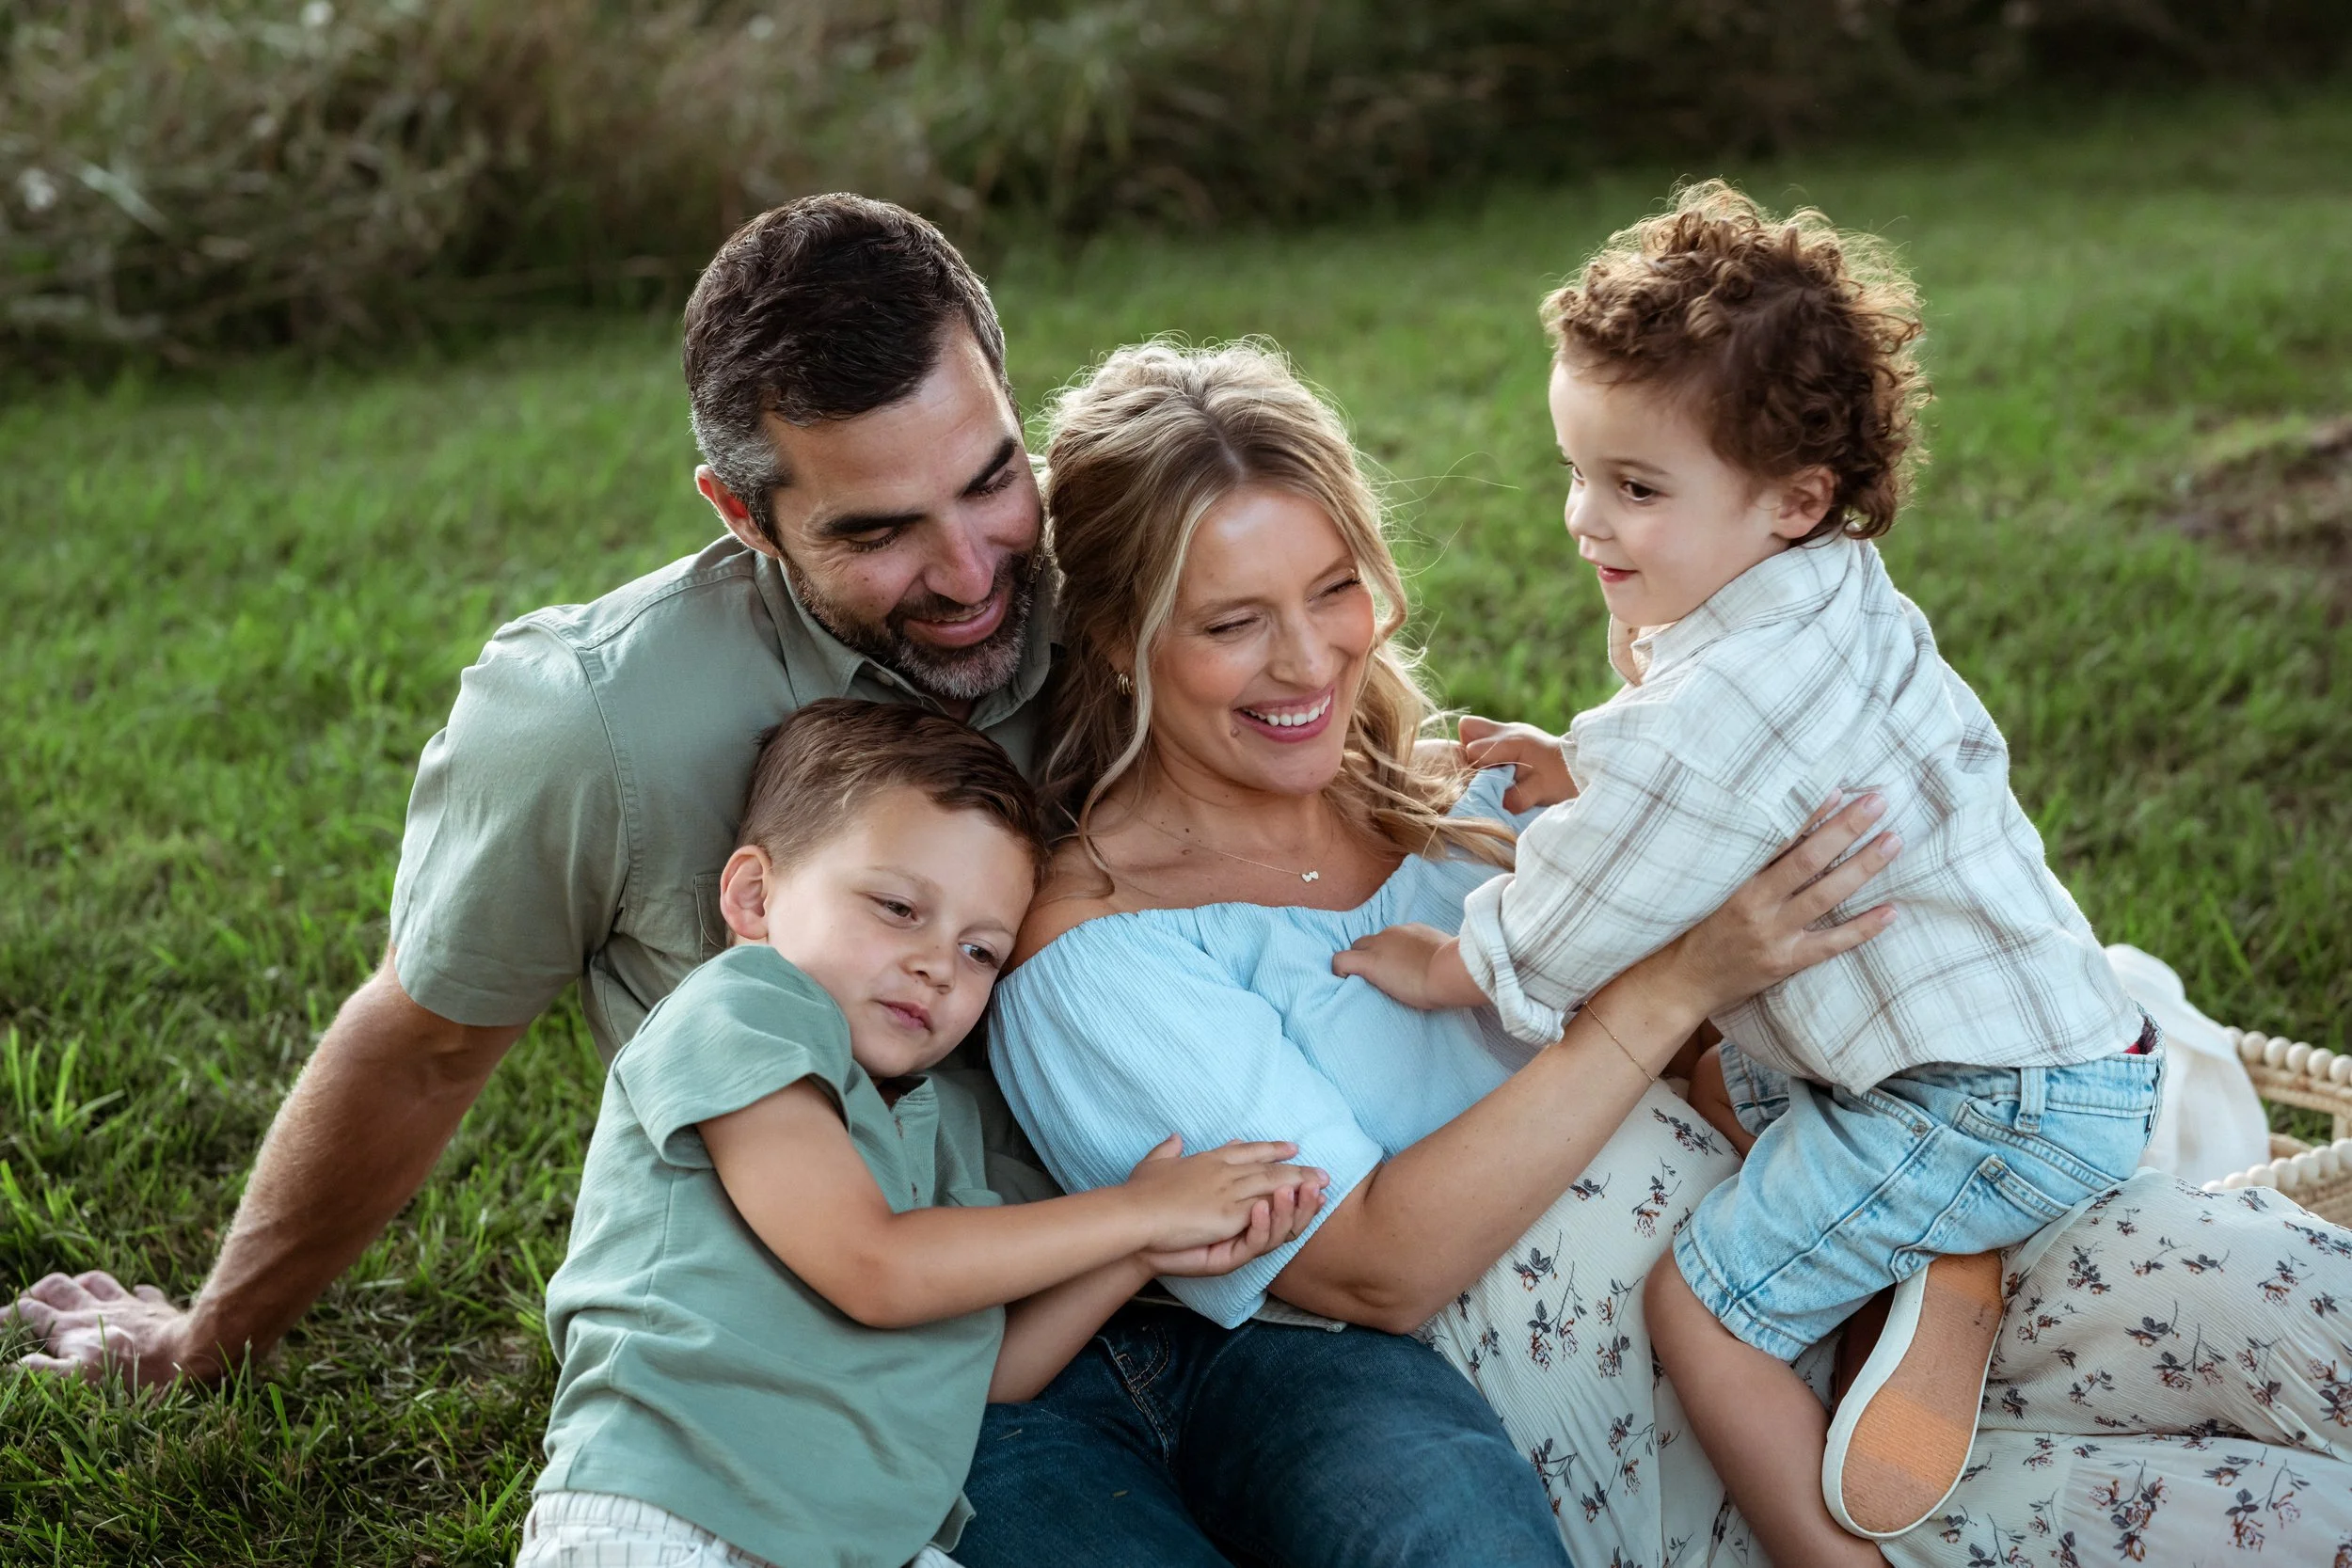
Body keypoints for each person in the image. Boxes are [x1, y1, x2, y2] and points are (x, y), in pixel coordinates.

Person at [4, 195, 1662, 1564]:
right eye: (876, 531)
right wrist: (210, 1334)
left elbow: (1293, 701)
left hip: (1242, 1285)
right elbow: (427, 1037)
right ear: (742, 508)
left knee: (1454, 1531)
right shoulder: (599, 721)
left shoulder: (1095, 574)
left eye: (989, 479)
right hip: (915, 1360)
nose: (965, 571)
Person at [979, 337, 1906, 1568]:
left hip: (1857, 1288)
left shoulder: (1462, 798)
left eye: (1331, 586)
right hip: (1678, 1437)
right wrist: (1674, 979)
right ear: (1111, 634)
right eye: (1233, 621)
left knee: (2243, 1296)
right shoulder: (1102, 956)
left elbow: (1732, 1050)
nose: (1310, 660)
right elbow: (1373, 1269)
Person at [1338, 182, 2163, 1560]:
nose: (1583, 518)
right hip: (2040, 1051)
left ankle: (1823, 1551)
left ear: (1794, 497)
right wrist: (1591, 771)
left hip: (1974, 1099)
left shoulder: (1714, 714)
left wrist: (1458, 958)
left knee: (1704, 1305)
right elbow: (1725, 790)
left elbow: (1600, 892)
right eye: (1580, 468)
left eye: (1636, 488)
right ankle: (1926, 1263)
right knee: (1747, 1079)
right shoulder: (1825, 585)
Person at [519, 698, 1326, 1568]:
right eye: (899, 907)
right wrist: (1137, 1213)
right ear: (756, 896)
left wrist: (1139, 1257)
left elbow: (981, 1378)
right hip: (673, 1509)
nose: (938, 964)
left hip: (870, 1543)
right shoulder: (743, 1008)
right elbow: (876, 1266)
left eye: (981, 950)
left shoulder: (942, 1137)